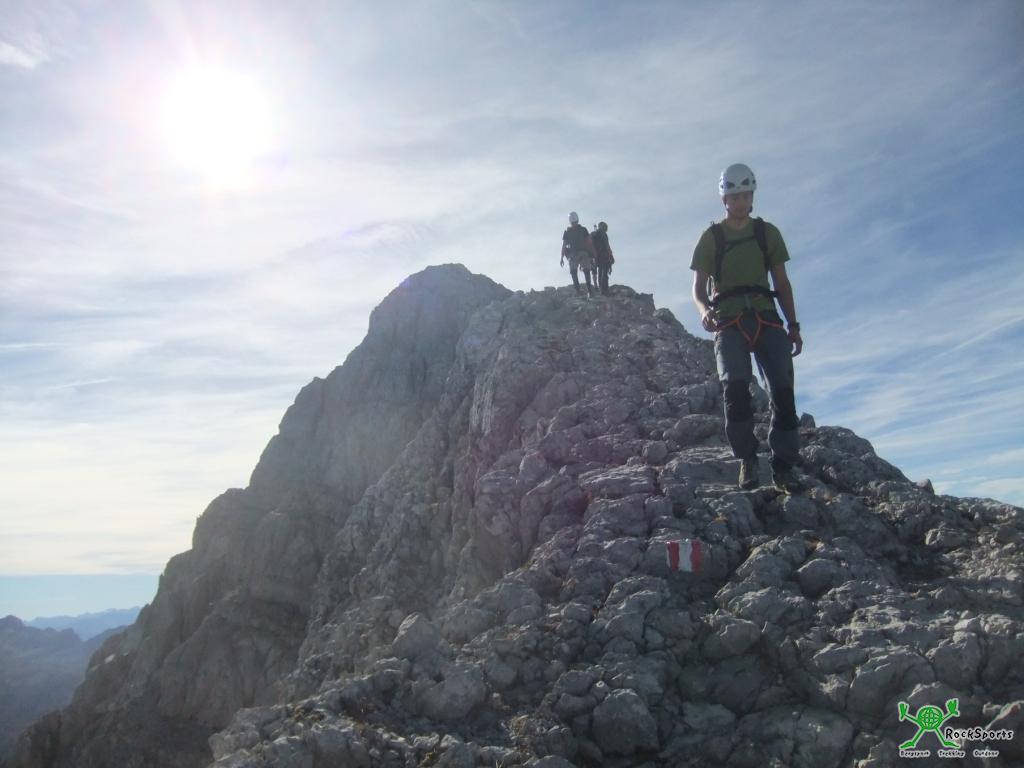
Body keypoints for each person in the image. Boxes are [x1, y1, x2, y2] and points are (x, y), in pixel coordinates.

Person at [689, 163, 805, 493]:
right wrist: (704, 311)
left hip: (766, 316)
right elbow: (698, 288)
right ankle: (747, 459)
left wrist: (793, 325)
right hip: (728, 320)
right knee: (735, 391)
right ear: (724, 200)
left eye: (745, 196)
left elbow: (781, 283)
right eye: (734, 197)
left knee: (783, 391)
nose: (740, 202)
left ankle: (783, 468)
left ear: (752, 197)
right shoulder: (712, 237)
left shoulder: (767, 233)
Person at [561, 211, 597, 297]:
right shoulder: (583, 230)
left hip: (572, 255)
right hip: (583, 253)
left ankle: (578, 291)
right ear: (577, 219)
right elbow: (589, 242)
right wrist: (593, 254)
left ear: (570, 220)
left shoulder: (567, 232)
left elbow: (564, 245)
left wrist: (562, 257)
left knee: (573, 272)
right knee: (586, 271)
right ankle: (590, 291)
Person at [591, 221, 614, 295]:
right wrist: (611, 256)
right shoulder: (603, 234)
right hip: (604, 255)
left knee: (600, 271)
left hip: (596, 256)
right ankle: (605, 289)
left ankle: (601, 288)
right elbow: (607, 246)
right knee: (604, 272)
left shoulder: (593, 234)